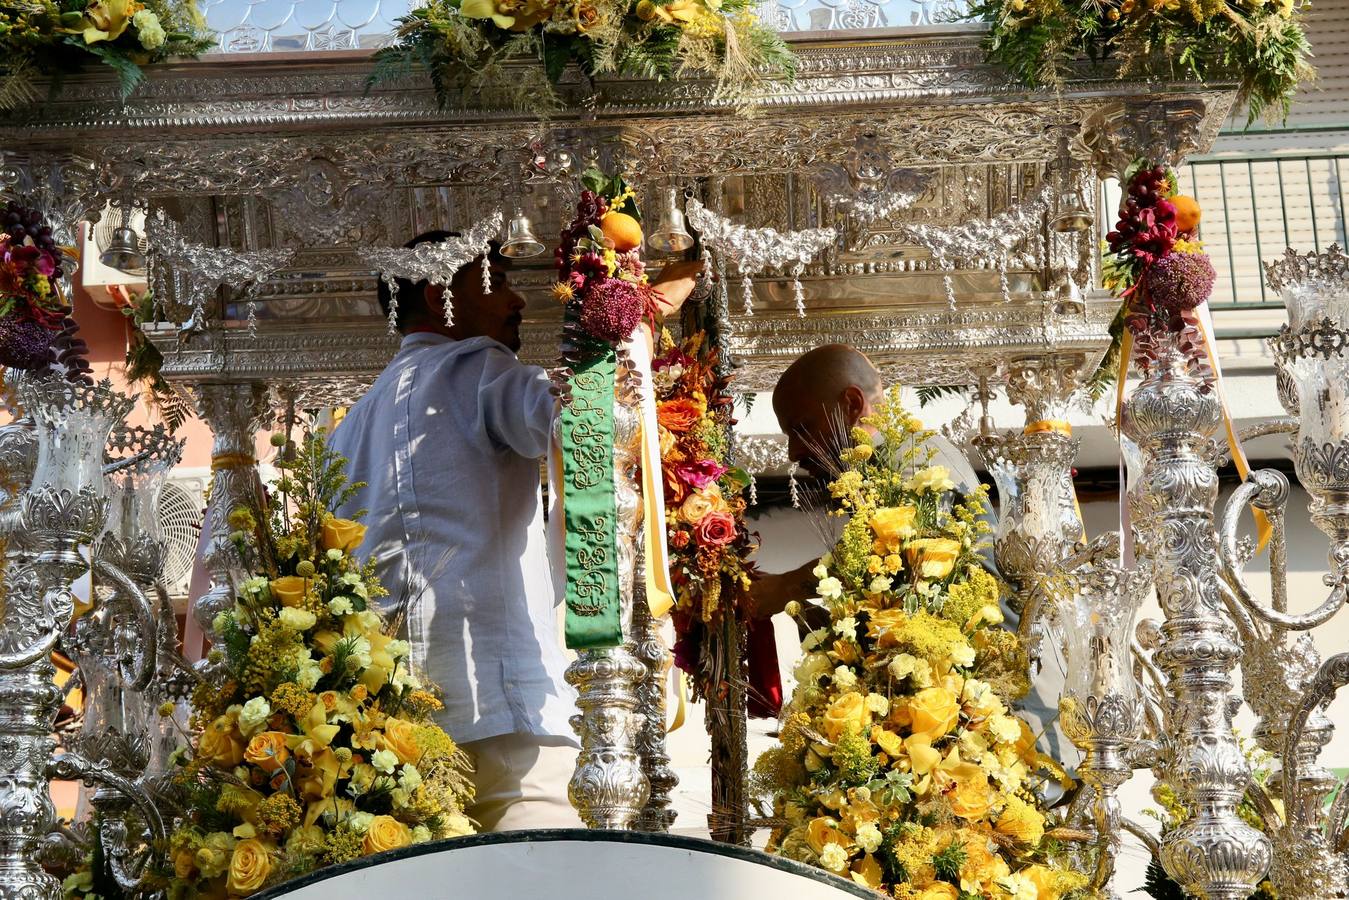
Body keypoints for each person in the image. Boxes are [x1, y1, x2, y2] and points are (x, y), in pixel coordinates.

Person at [330, 230, 700, 831]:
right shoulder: (476, 366)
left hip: (387, 729)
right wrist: (636, 323)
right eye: (498, 282)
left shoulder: (351, 424)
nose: (519, 302)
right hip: (505, 713)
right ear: (437, 291)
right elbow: (587, 423)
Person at [751, 344, 979, 622]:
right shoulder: (874, 471)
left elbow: (902, 557)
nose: (793, 453)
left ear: (853, 405)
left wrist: (785, 587)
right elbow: (899, 596)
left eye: (802, 427)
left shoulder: (914, 454)